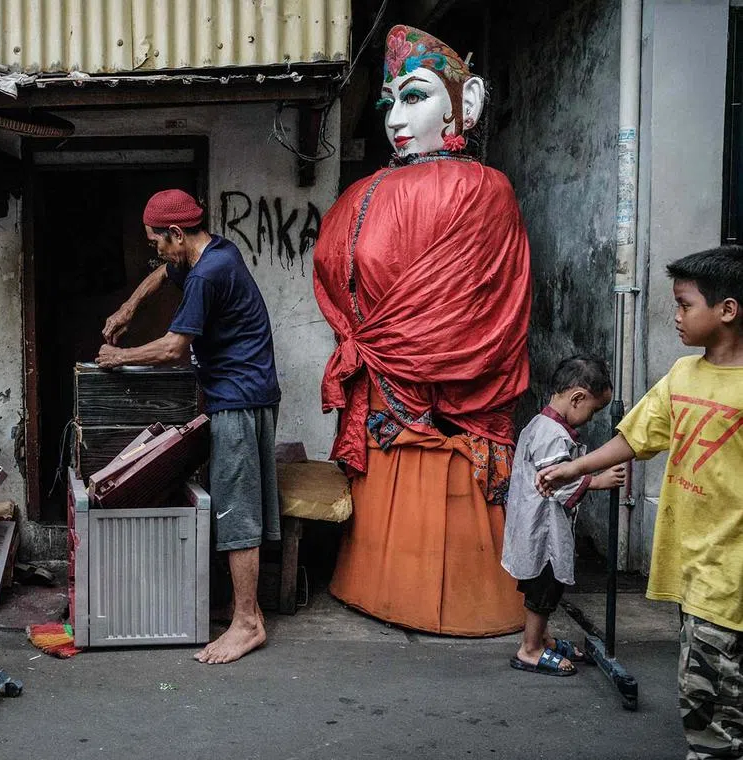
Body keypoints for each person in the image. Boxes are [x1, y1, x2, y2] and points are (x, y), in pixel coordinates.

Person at [311, 24, 531, 635]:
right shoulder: (365, 192)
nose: (395, 119)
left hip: (436, 384)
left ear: (467, 103)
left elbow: (480, 305)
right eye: (390, 103)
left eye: (415, 96)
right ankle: (385, 585)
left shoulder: (485, 190)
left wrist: (396, 337)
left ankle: (447, 595)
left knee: (436, 491)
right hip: (385, 371)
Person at [539, 247, 743, 757]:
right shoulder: (682, 376)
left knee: (713, 720)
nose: (675, 317)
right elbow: (637, 438)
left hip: (731, 573)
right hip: (695, 567)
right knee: (710, 699)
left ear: (727, 310)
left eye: (684, 305)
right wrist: (574, 466)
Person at [98, 188, 281, 664]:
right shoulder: (214, 250)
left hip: (239, 399)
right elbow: (164, 273)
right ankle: (247, 610)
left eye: (157, 241)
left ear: (177, 233)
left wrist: (120, 357)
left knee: (236, 510)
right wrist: (129, 307)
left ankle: (247, 624)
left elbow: (174, 348)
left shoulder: (207, 275)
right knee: (233, 500)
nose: (156, 251)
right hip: (240, 392)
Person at [501, 355, 625, 676]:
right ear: (577, 398)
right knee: (544, 590)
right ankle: (530, 649)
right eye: (593, 410)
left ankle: (542, 639)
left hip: (535, 526)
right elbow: (556, 482)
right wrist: (599, 481)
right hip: (541, 532)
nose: (592, 417)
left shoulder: (541, 425)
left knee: (542, 588)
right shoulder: (552, 435)